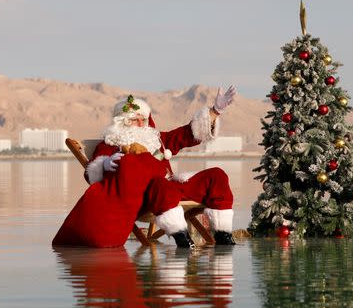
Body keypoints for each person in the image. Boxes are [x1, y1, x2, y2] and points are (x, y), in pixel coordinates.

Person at [52, 87, 237, 248]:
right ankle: (182, 238)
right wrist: (106, 164)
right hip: (146, 199)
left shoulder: (157, 139)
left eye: (144, 119)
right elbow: (92, 175)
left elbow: (186, 134)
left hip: (171, 189)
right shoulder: (109, 145)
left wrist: (215, 111)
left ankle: (223, 235)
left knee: (217, 176)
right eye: (135, 119)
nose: (142, 124)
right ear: (122, 122)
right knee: (161, 186)